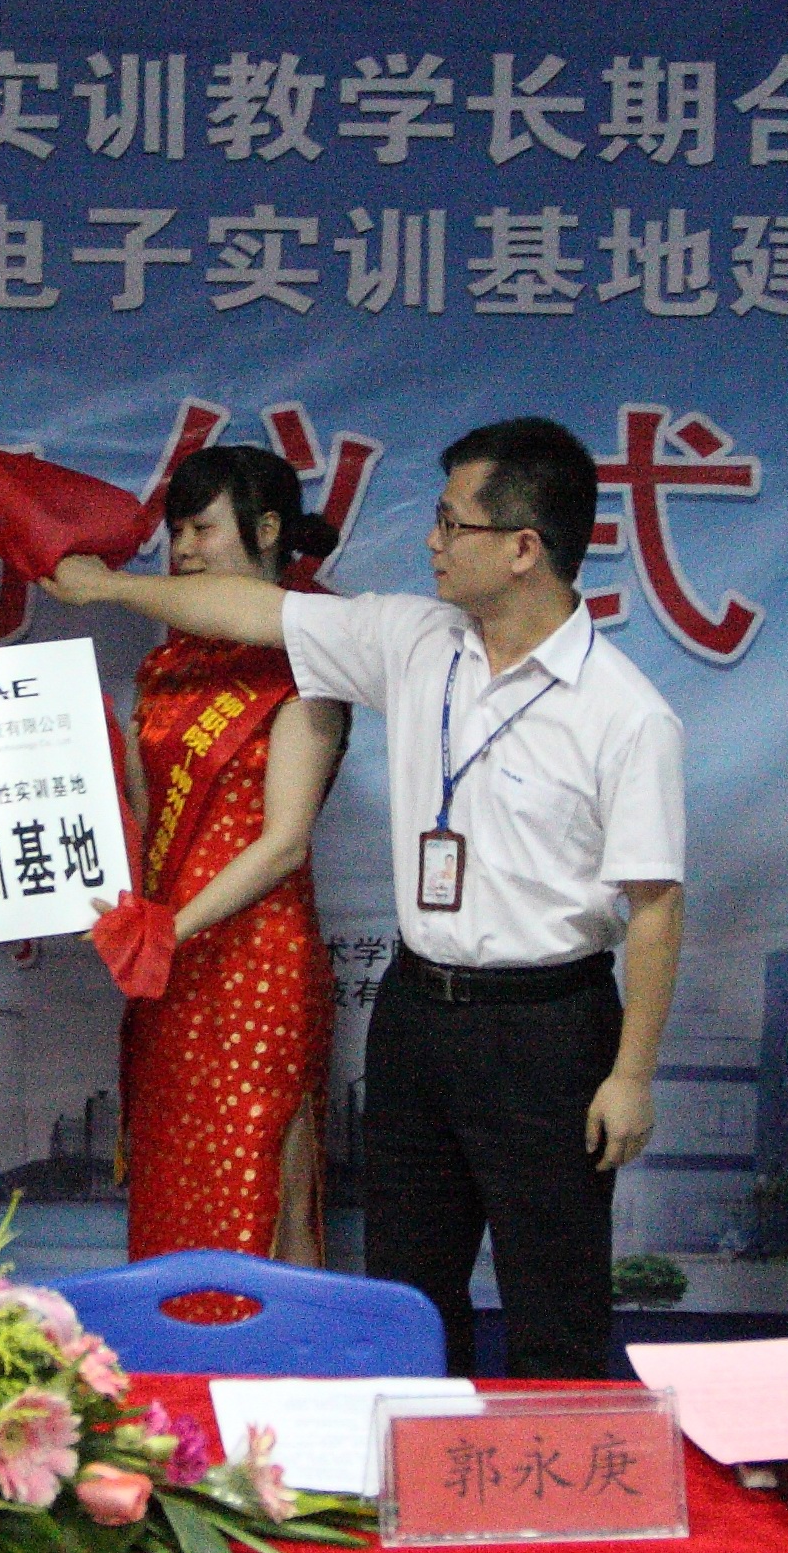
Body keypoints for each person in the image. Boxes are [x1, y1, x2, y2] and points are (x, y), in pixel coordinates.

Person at [53, 418, 683, 1380]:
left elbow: (655, 906)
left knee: (552, 1293)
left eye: (452, 525)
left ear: (523, 548)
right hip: (417, 1011)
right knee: (407, 1289)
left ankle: (550, 1468)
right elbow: (251, 612)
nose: (431, 542)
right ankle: (417, 1456)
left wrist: (630, 1075)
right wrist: (110, 589)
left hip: (548, 1026)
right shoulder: (415, 640)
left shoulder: (624, 712)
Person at [97, 445, 349, 1282]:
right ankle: (172, 1363)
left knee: (262, 1187)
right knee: (172, 1187)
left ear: (267, 529)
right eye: (175, 532)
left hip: (256, 962)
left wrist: (170, 928)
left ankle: (278, 1366)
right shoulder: (165, 667)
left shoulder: (310, 660)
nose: (183, 549)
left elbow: (284, 841)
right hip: (167, 965)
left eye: (201, 528)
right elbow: (143, 818)